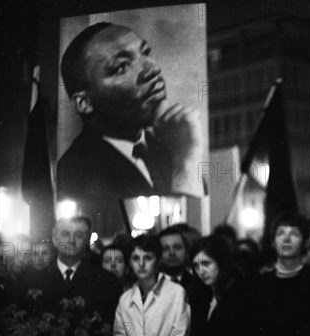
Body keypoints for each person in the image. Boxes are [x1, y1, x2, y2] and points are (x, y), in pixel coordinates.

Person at [57, 22, 204, 235]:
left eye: (146, 53)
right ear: (84, 103)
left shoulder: (168, 144)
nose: (152, 69)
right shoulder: (75, 171)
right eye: (122, 67)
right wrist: (187, 161)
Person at [113, 235, 190, 336]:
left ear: (158, 261)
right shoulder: (126, 300)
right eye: (135, 258)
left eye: (147, 258)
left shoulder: (175, 293)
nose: (141, 264)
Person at [11, 217, 122, 324]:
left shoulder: (106, 282)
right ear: (54, 238)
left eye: (79, 235)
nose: (71, 240)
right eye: (65, 234)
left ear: (87, 240)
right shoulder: (30, 281)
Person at [186, 235, 255, 336]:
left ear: (220, 262)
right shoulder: (201, 299)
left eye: (206, 263)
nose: (201, 271)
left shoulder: (240, 296)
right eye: (196, 266)